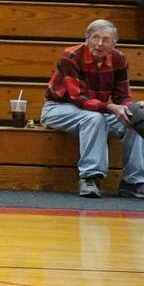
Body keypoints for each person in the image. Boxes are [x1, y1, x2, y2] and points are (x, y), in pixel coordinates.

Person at [38, 20, 142, 198]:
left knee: (136, 119)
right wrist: (111, 107)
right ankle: (90, 177)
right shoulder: (70, 56)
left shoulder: (120, 59)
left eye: (106, 39)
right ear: (87, 38)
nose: (99, 44)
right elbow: (79, 98)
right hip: (59, 108)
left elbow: (122, 96)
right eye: (95, 38)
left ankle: (134, 182)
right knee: (93, 119)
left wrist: (131, 107)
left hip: (97, 110)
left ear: (113, 44)